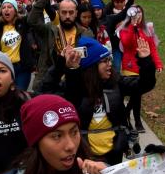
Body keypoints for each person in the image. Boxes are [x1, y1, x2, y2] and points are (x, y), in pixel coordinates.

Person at [42, 36, 156, 165]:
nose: (110, 65)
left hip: (114, 152)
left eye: (110, 60)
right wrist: (60, 63)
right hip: (84, 155)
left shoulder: (116, 82)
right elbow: (46, 91)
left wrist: (146, 61)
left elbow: (145, 84)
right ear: (92, 66)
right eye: (104, 61)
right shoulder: (74, 87)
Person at [26, 0, 94, 87]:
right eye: (64, 12)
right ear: (59, 13)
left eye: (71, 12)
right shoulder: (50, 29)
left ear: (76, 13)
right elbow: (31, 21)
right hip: (48, 81)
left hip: (74, 83)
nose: (67, 16)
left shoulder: (86, 34)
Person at [117, 5, 162, 132]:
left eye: (140, 13)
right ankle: (136, 121)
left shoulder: (147, 29)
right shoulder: (124, 29)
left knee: (138, 93)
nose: (138, 15)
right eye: (136, 13)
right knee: (136, 93)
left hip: (143, 67)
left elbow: (152, 48)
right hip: (130, 65)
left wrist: (158, 64)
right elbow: (127, 43)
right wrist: (133, 26)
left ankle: (128, 113)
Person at [0, 0, 36, 91]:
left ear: (15, 10)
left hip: (22, 69)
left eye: (9, 7)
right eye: (4, 7)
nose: (6, 9)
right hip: (4, 68)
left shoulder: (23, 23)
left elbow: (35, 14)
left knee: (19, 96)